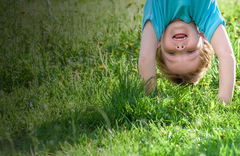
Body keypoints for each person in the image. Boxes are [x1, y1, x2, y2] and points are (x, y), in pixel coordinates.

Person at [138, 0, 236, 104]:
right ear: (204, 39)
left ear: (158, 43)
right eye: (190, 51)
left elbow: (145, 57)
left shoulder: (158, 11)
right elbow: (226, 54)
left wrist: (152, 97)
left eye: (171, 53)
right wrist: (223, 103)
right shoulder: (204, 12)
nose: (180, 48)